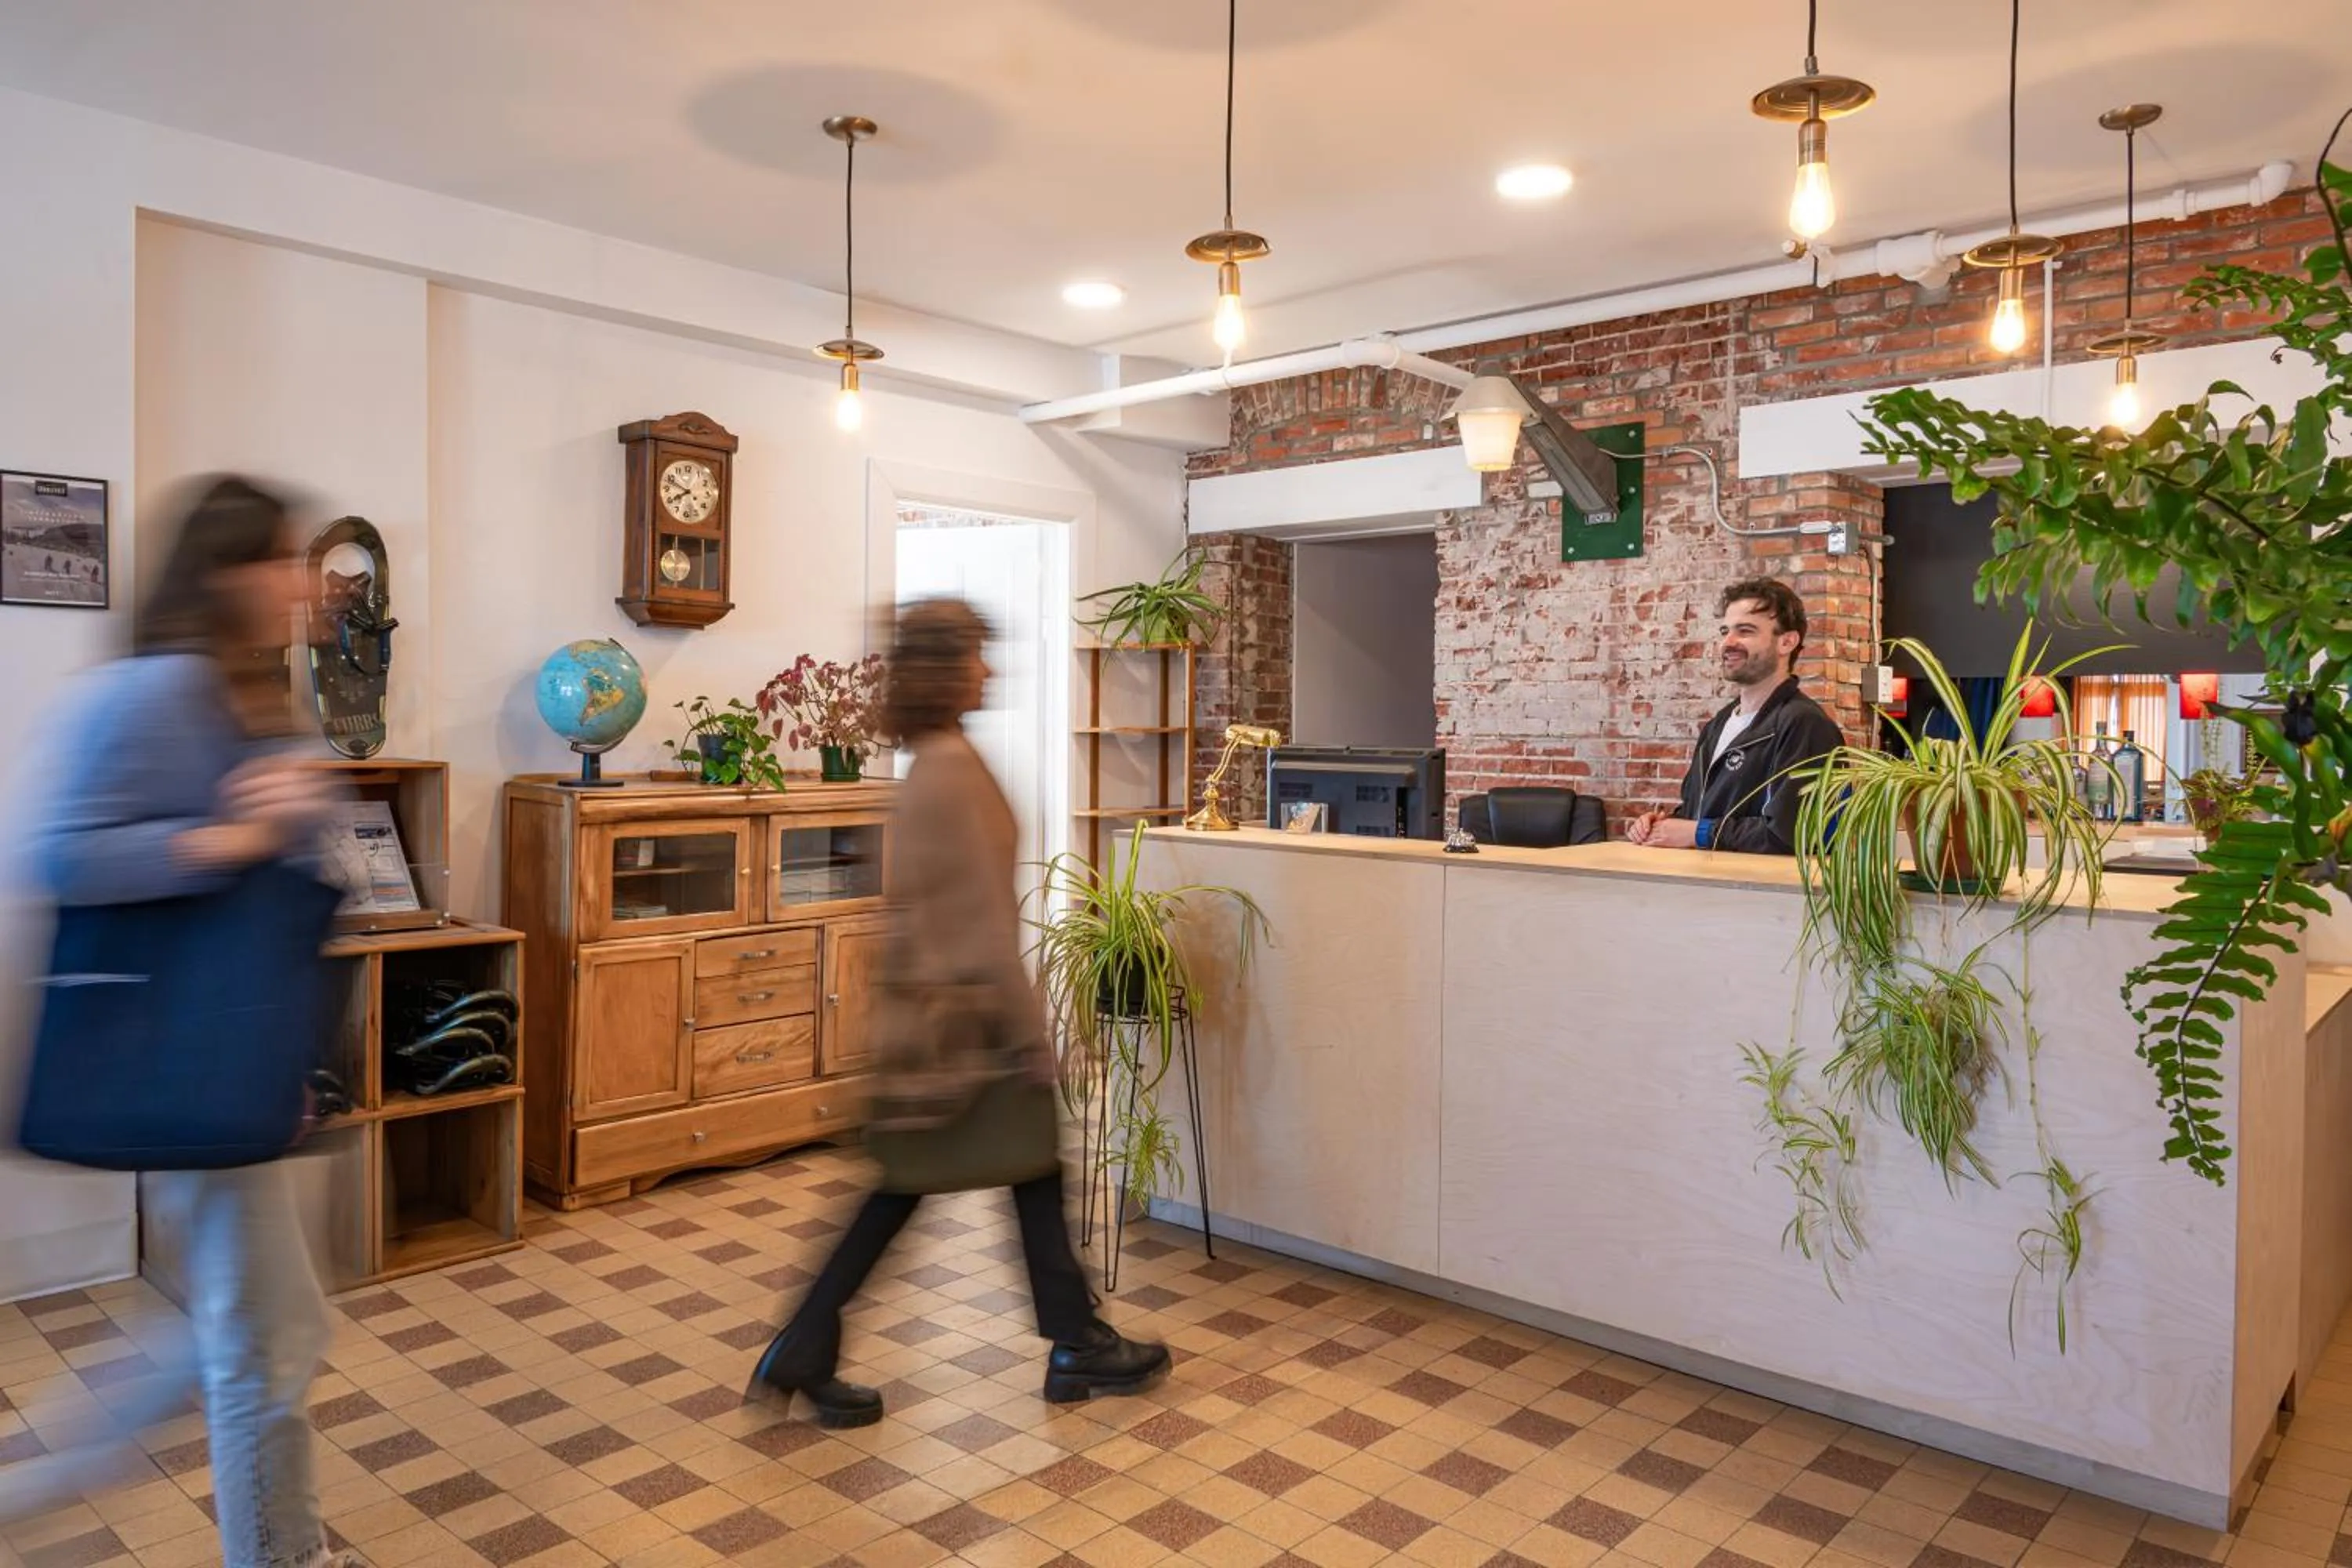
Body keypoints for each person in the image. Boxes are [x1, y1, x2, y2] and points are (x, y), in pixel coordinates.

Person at [16, 477, 358, 1568]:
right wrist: (226, 839)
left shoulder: (246, 693)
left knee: (250, 1333)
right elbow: (60, 853)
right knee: (267, 1341)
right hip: (185, 1055)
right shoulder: (159, 692)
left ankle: (42, 1491)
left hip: (234, 1058)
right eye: (286, 558)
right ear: (226, 572)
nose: (306, 582)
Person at [749, 598, 1168, 1428]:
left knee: (936, 1186)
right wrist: (1031, 1034)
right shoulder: (950, 769)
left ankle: (813, 1347)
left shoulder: (933, 762)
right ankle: (1073, 1341)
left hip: (931, 1027)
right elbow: (980, 928)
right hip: (965, 1032)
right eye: (977, 654)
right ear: (946, 667)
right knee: (987, 1179)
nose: (990, 669)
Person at [1628, 577, 1845, 855]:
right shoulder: (1718, 725)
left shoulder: (1804, 724)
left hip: (1762, 894)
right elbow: (1705, 810)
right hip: (1706, 889)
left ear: (1787, 642)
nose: (1727, 643)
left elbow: (1794, 833)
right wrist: (1665, 825)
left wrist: (1699, 832)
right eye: (1724, 631)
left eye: (1745, 631)